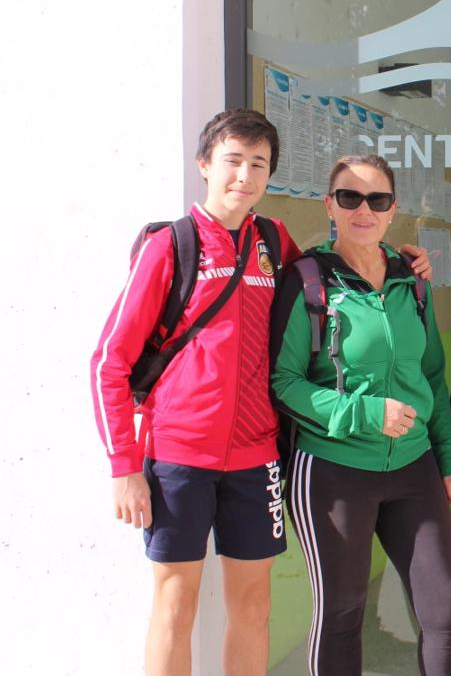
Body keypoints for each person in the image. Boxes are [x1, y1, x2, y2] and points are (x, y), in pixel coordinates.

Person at [90, 111, 430, 676]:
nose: (244, 176)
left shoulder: (273, 243)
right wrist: (124, 466)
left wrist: (400, 260)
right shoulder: (169, 246)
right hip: (179, 457)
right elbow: (110, 361)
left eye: (258, 165)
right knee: (177, 605)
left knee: (254, 605)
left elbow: (336, 269)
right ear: (205, 165)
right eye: (232, 161)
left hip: (256, 458)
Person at [270, 154, 451, 676]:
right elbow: (284, 382)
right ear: (329, 205)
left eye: (377, 199)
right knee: (342, 613)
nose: (363, 210)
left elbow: (431, 375)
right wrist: (364, 414)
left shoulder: (413, 282)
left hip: (414, 466)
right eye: (349, 197)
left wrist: (449, 457)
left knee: (446, 611)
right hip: (333, 471)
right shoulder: (308, 282)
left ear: (392, 210)